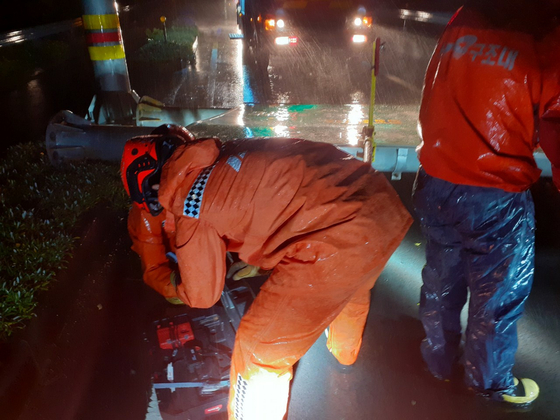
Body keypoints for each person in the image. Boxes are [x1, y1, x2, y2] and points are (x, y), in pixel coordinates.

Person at [121, 132, 412, 420]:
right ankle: (345, 354)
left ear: (149, 186)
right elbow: (272, 198)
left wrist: (167, 282)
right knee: (350, 286)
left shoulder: (188, 199)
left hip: (335, 241)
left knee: (257, 351)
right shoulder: (224, 153)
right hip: (378, 208)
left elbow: (202, 295)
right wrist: (261, 260)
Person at [412, 0, 560, 405]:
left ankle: (438, 362)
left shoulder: (464, 18)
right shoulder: (549, 39)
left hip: (435, 180)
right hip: (493, 194)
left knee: (442, 278)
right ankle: (489, 383)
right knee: (497, 294)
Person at [122, 124, 264, 305]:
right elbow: (154, 268)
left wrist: (261, 259)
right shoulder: (147, 212)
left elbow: (249, 220)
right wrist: (178, 287)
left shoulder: (213, 182)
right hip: (178, 265)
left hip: (210, 250)